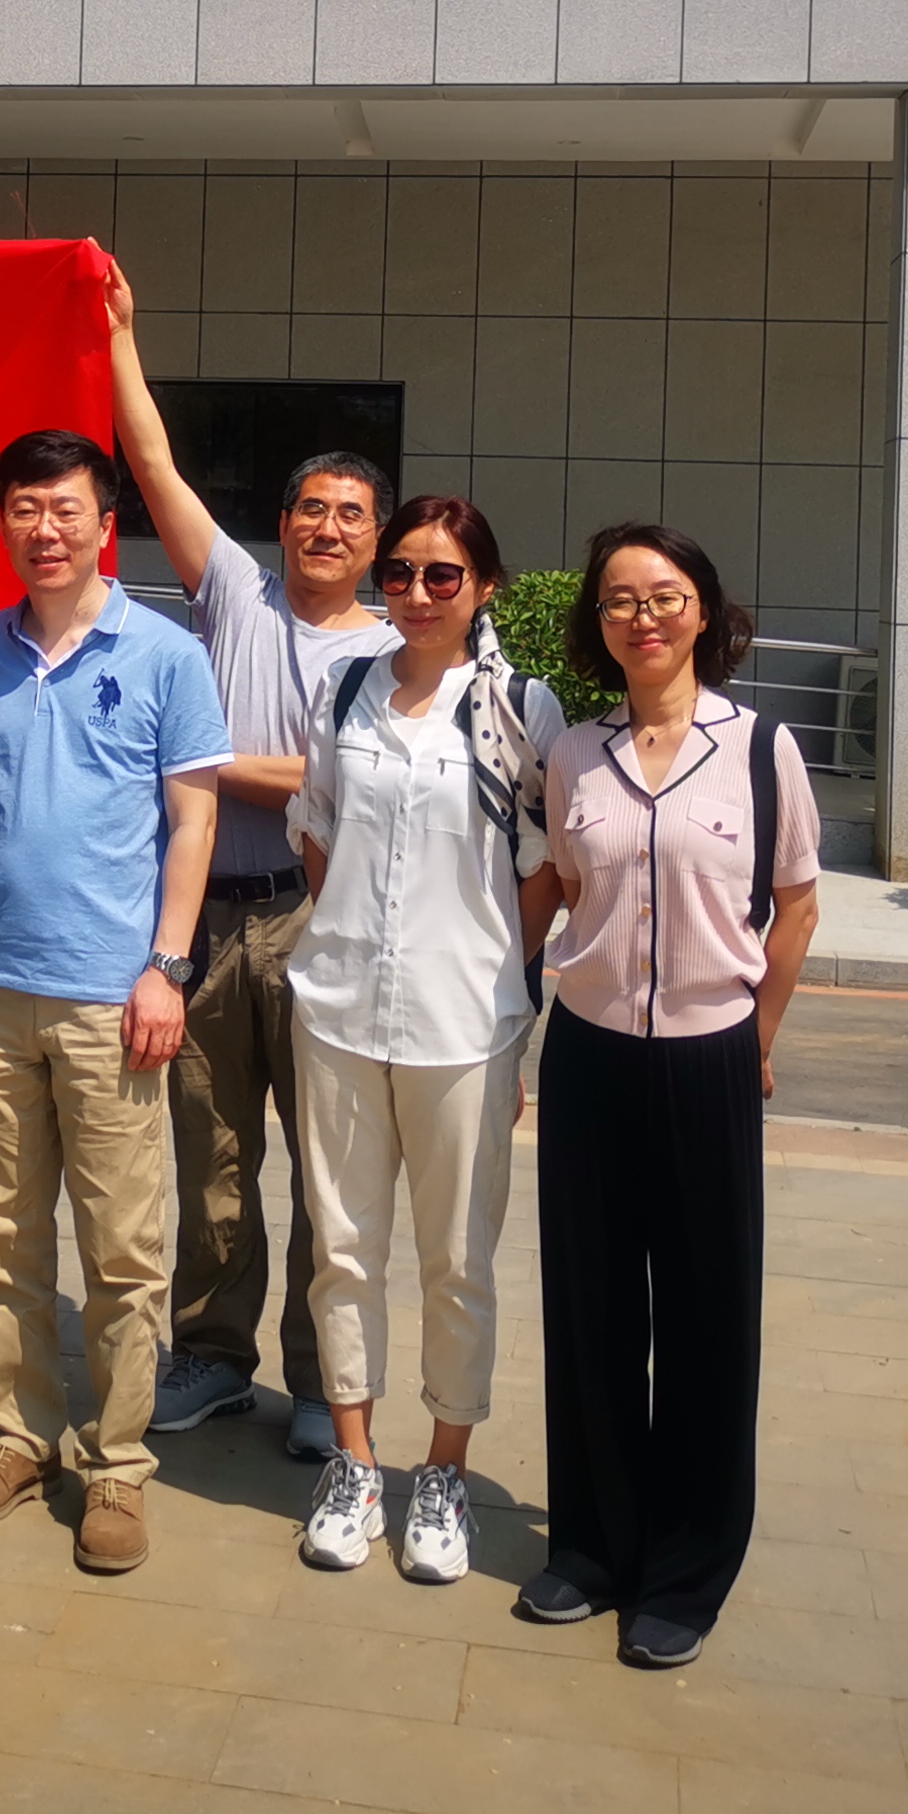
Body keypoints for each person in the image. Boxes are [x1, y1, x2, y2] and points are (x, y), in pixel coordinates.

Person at [102, 259, 393, 1462]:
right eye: (311, 508)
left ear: (376, 538)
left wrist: (204, 760)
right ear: (283, 522)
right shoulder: (234, 592)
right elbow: (153, 464)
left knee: (332, 1169)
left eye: (351, 515)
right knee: (211, 1155)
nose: (327, 527)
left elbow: (349, 789)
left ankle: (326, 1383)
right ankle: (214, 1358)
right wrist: (120, 335)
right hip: (207, 920)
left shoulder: (396, 650)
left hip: (326, 923)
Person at [519, 521, 821, 1670]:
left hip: (708, 1057)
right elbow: (560, 886)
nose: (641, 616)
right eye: (618, 600)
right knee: (590, 1307)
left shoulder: (762, 748)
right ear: (596, 623)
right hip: (590, 1055)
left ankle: (688, 1569)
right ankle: (594, 1546)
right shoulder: (574, 754)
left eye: (663, 596)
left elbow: (796, 904)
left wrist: (758, 1038)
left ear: (704, 611)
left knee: (706, 1315)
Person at [0, 429, 229, 1575]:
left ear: (105, 525)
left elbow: (193, 820)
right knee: (1, 1237)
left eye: (64, 510)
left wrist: (167, 967)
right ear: (2, 520)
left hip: (113, 997)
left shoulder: (164, 654)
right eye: (24, 508)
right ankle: (17, 1438)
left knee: (122, 1247)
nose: (43, 530)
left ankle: (117, 1465)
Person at [281, 496, 560, 1586]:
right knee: (342, 1250)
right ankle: (354, 1464)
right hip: (340, 1012)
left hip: (464, 1026)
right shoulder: (346, 687)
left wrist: (491, 967)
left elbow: (542, 870)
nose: (417, 593)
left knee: (456, 1260)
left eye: (443, 575)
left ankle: (442, 1472)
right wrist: (351, 934)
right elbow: (317, 831)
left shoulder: (517, 708)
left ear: (484, 587)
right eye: (399, 572)